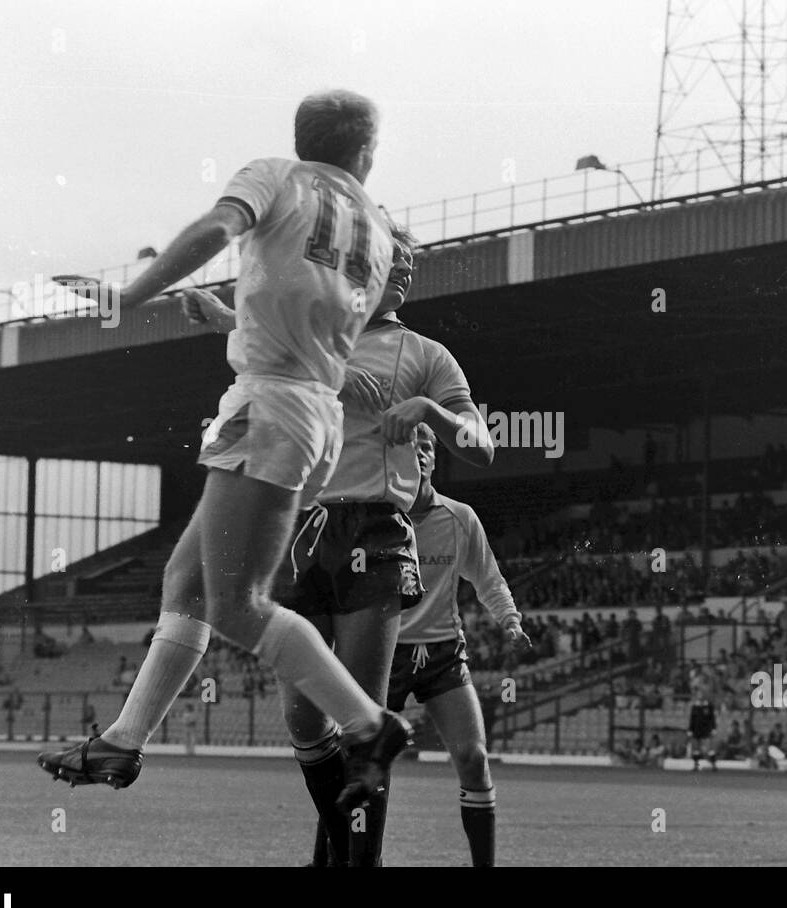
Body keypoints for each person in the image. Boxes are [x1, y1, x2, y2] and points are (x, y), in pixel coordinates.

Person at [37, 89, 411, 812]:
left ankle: (369, 727)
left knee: (239, 607)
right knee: (185, 584)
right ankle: (123, 740)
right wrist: (228, 318)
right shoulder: (378, 229)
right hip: (306, 409)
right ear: (365, 153)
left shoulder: (277, 175)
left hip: (268, 407)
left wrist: (129, 297)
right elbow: (308, 317)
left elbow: (216, 229)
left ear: (302, 139)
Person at [188, 224, 494, 868]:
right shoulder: (314, 333)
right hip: (302, 530)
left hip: (375, 534)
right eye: (395, 264)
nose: (405, 274)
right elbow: (267, 349)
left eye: (412, 267)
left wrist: (429, 411)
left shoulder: (427, 354)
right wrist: (222, 317)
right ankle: (340, 855)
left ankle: (359, 864)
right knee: (304, 721)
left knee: (362, 719)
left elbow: (481, 442)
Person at [375, 424, 525, 866]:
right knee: (365, 766)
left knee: (474, 757)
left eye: (427, 448)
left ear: (435, 460)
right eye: (411, 447)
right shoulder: (377, 519)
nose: (420, 454)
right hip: (385, 655)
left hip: (442, 653)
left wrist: (510, 620)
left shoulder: (460, 518)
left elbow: (488, 578)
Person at [687, 688, 717, 770]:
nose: (700, 696)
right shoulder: (694, 707)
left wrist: (714, 728)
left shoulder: (709, 706)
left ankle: (713, 765)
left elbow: (712, 719)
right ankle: (696, 765)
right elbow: (692, 719)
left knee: (708, 749)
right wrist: (690, 729)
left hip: (706, 730)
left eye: (701, 694)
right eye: (698, 694)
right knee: (696, 749)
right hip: (696, 730)